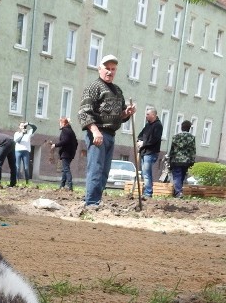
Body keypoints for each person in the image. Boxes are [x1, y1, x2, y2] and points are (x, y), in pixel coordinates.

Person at [78, 54, 136, 206]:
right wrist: (95, 131)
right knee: (96, 169)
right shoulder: (94, 87)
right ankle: (91, 203)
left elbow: (120, 115)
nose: (110, 72)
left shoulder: (117, 90)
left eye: (113, 69)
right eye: (107, 68)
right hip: (98, 134)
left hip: (111, 134)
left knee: (104, 171)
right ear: (99, 69)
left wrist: (126, 113)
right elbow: (84, 112)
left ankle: (95, 200)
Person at [136, 108, 163, 199]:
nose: (146, 116)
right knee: (144, 172)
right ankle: (146, 191)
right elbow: (141, 135)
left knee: (146, 173)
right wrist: (139, 141)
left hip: (151, 152)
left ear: (153, 115)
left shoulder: (158, 126)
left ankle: (148, 193)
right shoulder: (148, 125)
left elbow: (154, 139)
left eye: (148, 114)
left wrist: (143, 143)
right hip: (144, 152)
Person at [168, 120, 196, 198]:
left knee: (177, 176)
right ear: (189, 128)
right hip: (186, 161)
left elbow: (172, 150)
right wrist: (192, 161)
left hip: (176, 160)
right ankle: (177, 191)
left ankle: (178, 192)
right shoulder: (192, 138)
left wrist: (170, 160)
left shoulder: (175, 137)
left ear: (181, 127)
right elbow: (193, 150)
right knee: (182, 176)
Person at [52, 117, 78, 190]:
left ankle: (70, 186)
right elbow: (76, 143)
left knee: (66, 169)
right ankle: (62, 185)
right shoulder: (71, 131)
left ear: (63, 123)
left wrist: (55, 145)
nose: (59, 124)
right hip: (70, 153)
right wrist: (73, 150)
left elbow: (64, 141)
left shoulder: (65, 130)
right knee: (64, 169)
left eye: (60, 123)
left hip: (65, 153)